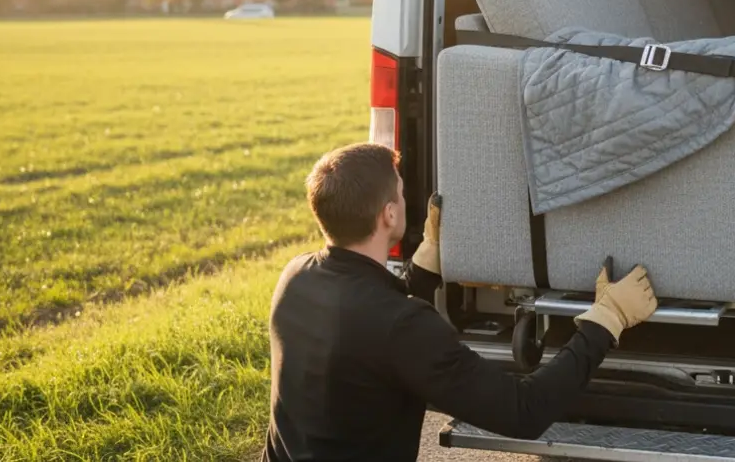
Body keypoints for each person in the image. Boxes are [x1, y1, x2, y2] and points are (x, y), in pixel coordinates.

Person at [262, 142, 658, 462]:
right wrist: (606, 319)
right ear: (389, 215)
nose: (405, 198)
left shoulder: (296, 277)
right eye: (401, 192)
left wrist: (423, 267)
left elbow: (368, 325)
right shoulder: (404, 325)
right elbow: (524, 411)